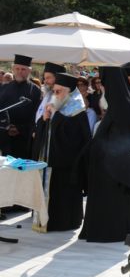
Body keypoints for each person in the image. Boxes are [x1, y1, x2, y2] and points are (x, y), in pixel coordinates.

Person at [79, 66, 130, 243]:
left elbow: (120, 140)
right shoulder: (122, 102)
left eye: (103, 83)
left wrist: (99, 149)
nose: (101, 88)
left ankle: (111, 231)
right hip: (114, 165)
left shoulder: (122, 105)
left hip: (116, 169)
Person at [42, 73, 91, 231]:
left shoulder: (77, 111)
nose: (55, 95)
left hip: (69, 164)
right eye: (54, 91)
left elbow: (74, 139)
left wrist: (55, 115)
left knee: (66, 194)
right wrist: (46, 118)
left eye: (59, 91)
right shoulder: (59, 107)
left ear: (69, 92)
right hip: (54, 160)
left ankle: (67, 222)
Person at [0, 54, 42, 158]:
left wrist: (20, 129)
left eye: (23, 69)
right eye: (17, 68)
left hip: (25, 138)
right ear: (13, 69)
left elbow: (37, 115)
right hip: (5, 137)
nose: (19, 71)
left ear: (29, 71)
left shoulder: (35, 91)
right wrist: (6, 127)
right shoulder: (4, 88)